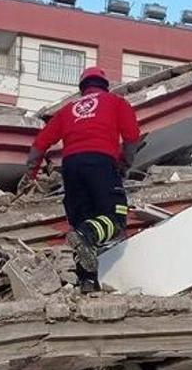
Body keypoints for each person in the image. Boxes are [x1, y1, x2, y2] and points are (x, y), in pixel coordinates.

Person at [25, 66, 142, 293]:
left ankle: (87, 281)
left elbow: (40, 144)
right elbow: (132, 137)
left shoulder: (68, 110)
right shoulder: (116, 102)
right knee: (114, 219)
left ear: (82, 88)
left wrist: (30, 174)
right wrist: (124, 165)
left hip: (71, 167)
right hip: (100, 162)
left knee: (84, 218)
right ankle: (85, 235)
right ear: (104, 86)